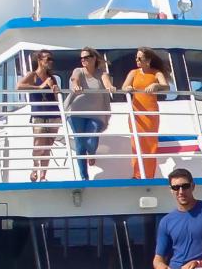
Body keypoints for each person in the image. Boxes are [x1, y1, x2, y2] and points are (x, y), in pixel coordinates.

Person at [67, 47, 115, 180]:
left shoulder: (101, 73)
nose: (83, 60)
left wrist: (110, 87)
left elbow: (106, 83)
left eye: (86, 57)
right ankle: (84, 177)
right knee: (80, 144)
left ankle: (92, 154)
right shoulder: (78, 71)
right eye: (81, 58)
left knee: (91, 142)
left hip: (96, 113)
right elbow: (74, 79)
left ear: (94, 58)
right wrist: (76, 86)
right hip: (76, 111)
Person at [122, 47, 169, 179]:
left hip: (151, 113)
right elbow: (124, 87)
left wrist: (156, 86)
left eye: (140, 58)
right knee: (136, 143)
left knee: (150, 145)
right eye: (136, 58)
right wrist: (129, 88)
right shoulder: (133, 73)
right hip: (136, 112)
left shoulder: (156, 73)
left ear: (147, 60)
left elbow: (166, 86)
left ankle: (148, 176)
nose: (136, 60)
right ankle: (137, 175)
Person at [16, 49, 62, 181]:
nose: (50, 62)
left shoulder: (52, 77)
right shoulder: (32, 75)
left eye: (51, 59)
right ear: (40, 61)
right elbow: (19, 86)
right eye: (48, 59)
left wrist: (55, 89)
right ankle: (35, 168)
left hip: (53, 113)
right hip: (39, 114)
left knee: (47, 146)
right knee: (38, 145)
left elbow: (55, 95)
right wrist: (40, 87)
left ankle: (43, 176)